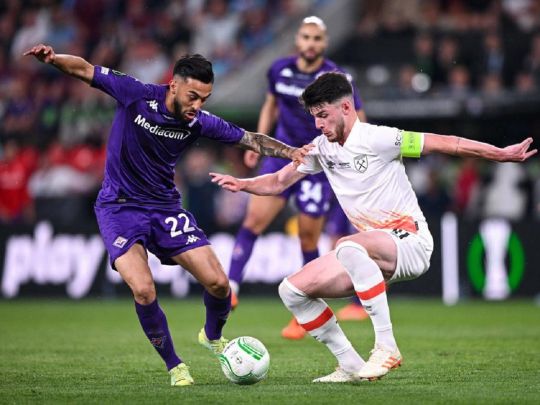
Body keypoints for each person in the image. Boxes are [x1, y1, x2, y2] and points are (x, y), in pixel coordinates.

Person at [210, 72, 536, 383]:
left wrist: (499, 153)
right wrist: (243, 184)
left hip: (410, 242)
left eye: (323, 115)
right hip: (367, 253)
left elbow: (445, 143)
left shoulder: (379, 138)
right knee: (292, 291)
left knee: (349, 245)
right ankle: (350, 365)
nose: (318, 124)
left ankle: (387, 347)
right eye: (314, 117)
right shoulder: (322, 148)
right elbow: (278, 182)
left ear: (346, 107)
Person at [24, 44, 310, 387]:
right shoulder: (135, 94)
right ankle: (175, 366)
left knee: (219, 284)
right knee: (144, 290)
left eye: (204, 99)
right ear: (174, 85)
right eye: (193, 96)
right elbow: (85, 70)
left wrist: (291, 152)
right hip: (119, 208)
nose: (198, 105)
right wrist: (54, 60)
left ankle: (212, 336)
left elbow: (250, 139)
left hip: (165, 208)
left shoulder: (199, 122)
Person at [228, 16, 367, 339]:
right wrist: (257, 143)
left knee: (308, 239)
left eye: (316, 38)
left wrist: (355, 151)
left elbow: (356, 116)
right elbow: (270, 106)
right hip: (281, 156)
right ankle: (230, 288)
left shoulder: (337, 79)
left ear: (324, 43)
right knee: (253, 221)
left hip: (317, 162)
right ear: (298, 40)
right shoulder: (278, 70)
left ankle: (307, 311)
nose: (310, 43)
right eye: (306, 37)